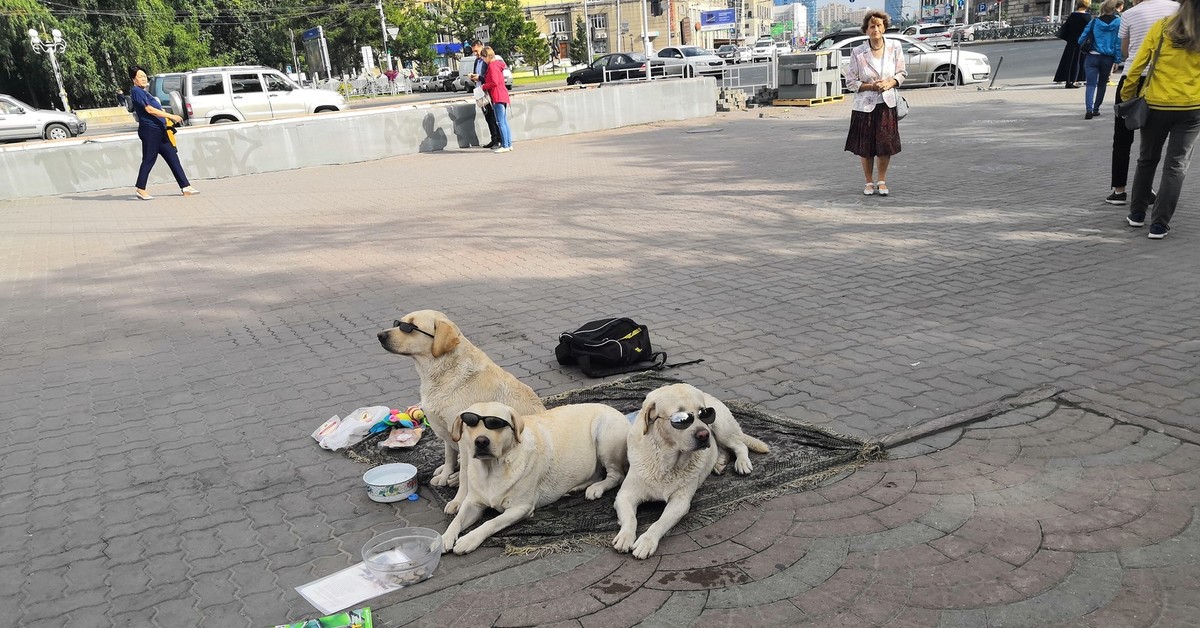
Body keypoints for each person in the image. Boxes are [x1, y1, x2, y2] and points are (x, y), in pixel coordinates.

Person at [1120, 0, 1200, 238]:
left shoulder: (1162, 27)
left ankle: (1137, 214)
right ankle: (1159, 224)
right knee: (1176, 166)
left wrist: (1127, 94)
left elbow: (1138, 65)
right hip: (1192, 108)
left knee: (1147, 159)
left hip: (1156, 104)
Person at [1107, 0, 1179, 203]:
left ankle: (1119, 191)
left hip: (1132, 77)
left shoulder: (1130, 14)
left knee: (1122, 137)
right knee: (1153, 140)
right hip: (1162, 80)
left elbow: (1125, 51)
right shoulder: (1178, 9)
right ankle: (1146, 189)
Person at [843, 10, 907, 196]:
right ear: (866, 30)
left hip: (887, 104)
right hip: (864, 106)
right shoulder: (858, 52)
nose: (876, 29)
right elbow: (850, 82)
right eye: (872, 26)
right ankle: (868, 182)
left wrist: (890, 83)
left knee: (885, 144)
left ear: (884, 27)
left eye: (879, 25)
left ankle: (882, 180)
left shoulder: (895, 47)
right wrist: (871, 86)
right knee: (867, 146)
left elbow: (901, 73)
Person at [129, 66, 197, 200]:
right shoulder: (136, 91)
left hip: (160, 130)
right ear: (133, 79)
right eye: (140, 76)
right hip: (150, 131)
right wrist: (171, 117)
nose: (143, 78)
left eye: (144, 76)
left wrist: (165, 115)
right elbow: (149, 110)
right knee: (148, 160)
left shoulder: (145, 92)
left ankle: (186, 186)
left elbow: (155, 108)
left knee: (172, 157)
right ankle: (140, 189)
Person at [1080, 0, 1125, 119]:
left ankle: (1088, 110)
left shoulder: (1094, 22)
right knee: (1102, 84)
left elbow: (1081, 39)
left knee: (1090, 85)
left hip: (1092, 56)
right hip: (1107, 58)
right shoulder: (1118, 22)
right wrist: (1117, 59)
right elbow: (1118, 43)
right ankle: (1096, 109)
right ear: (1114, 8)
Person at [466, 40, 502, 149]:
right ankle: (493, 138)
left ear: (482, 47)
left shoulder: (488, 62)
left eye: (476, 51)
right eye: (474, 52)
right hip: (480, 91)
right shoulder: (477, 61)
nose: (475, 54)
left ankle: (499, 140)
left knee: (493, 116)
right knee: (487, 116)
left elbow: (489, 77)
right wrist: (473, 77)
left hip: (488, 91)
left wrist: (480, 78)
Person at [1055, 0, 1094, 87]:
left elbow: (1066, 29)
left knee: (1069, 61)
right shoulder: (1087, 17)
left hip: (1071, 42)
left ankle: (1068, 80)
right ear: (1087, 5)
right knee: (1079, 61)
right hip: (1082, 42)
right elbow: (1090, 31)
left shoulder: (1072, 15)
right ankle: (1075, 80)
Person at [481, 46, 513, 153]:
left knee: (500, 122)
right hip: (503, 94)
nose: (483, 61)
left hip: (497, 95)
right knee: (504, 121)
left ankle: (505, 145)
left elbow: (494, 82)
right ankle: (509, 144)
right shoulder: (498, 65)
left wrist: (484, 87)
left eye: (483, 58)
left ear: (487, 56)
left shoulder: (492, 66)